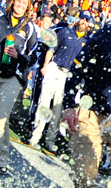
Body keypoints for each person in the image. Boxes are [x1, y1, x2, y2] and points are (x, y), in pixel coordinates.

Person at [60, 23, 111, 188]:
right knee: (84, 178)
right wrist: (68, 105)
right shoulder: (108, 33)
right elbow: (77, 67)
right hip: (90, 112)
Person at [0, 0, 38, 173]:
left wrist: (19, 56)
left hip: (12, 78)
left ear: (28, 6)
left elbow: (32, 57)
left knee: (1, 119)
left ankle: (2, 161)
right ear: (13, 1)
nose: (20, 5)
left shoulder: (30, 28)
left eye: (24, 3)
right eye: (18, 1)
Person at [28, 10, 92, 151]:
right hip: (55, 68)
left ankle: (50, 140)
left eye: (86, 20)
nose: (83, 22)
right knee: (44, 103)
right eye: (82, 19)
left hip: (68, 77)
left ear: (89, 23)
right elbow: (51, 49)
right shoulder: (65, 32)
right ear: (78, 19)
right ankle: (35, 136)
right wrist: (45, 66)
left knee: (58, 110)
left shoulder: (88, 42)